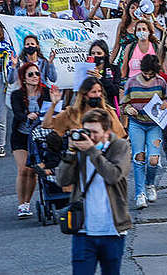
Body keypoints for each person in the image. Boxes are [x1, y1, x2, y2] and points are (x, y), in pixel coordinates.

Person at [55, 108, 132, 275]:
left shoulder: (120, 147)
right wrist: (70, 153)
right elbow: (62, 181)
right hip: (84, 231)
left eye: (94, 132)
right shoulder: (79, 149)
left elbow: (114, 175)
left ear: (107, 132)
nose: (89, 136)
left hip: (112, 230)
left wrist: (92, 150)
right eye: (86, 131)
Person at [120, 53, 167, 210]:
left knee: (153, 158)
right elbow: (124, 104)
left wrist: (166, 104)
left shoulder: (161, 82)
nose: (148, 76)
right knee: (139, 157)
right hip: (136, 124)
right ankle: (140, 193)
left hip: (154, 124)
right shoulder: (132, 82)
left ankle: (150, 184)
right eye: (145, 73)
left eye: (151, 73)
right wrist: (129, 109)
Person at [10, 61, 49, 219]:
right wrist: (27, 116)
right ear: (24, 78)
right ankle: (21, 204)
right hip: (21, 134)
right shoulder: (17, 95)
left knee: (33, 171)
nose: (35, 77)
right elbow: (17, 113)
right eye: (30, 74)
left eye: (37, 74)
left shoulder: (45, 92)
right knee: (23, 169)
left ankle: (27, 202)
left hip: (38, 135)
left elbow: (52, 108)